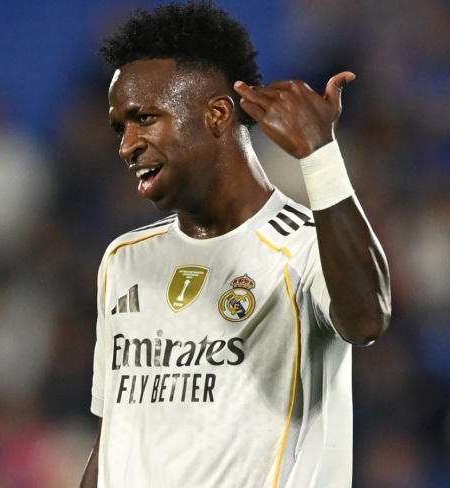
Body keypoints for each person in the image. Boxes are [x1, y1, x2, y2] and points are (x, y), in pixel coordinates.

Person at [80, 1, 391, 486]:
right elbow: (113, 441)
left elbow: (368, 319)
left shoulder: (306, 246)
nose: (127, 146)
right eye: (121, 128)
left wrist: (320, 155)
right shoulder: (124, 260)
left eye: (145, 119)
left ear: (217, 115)